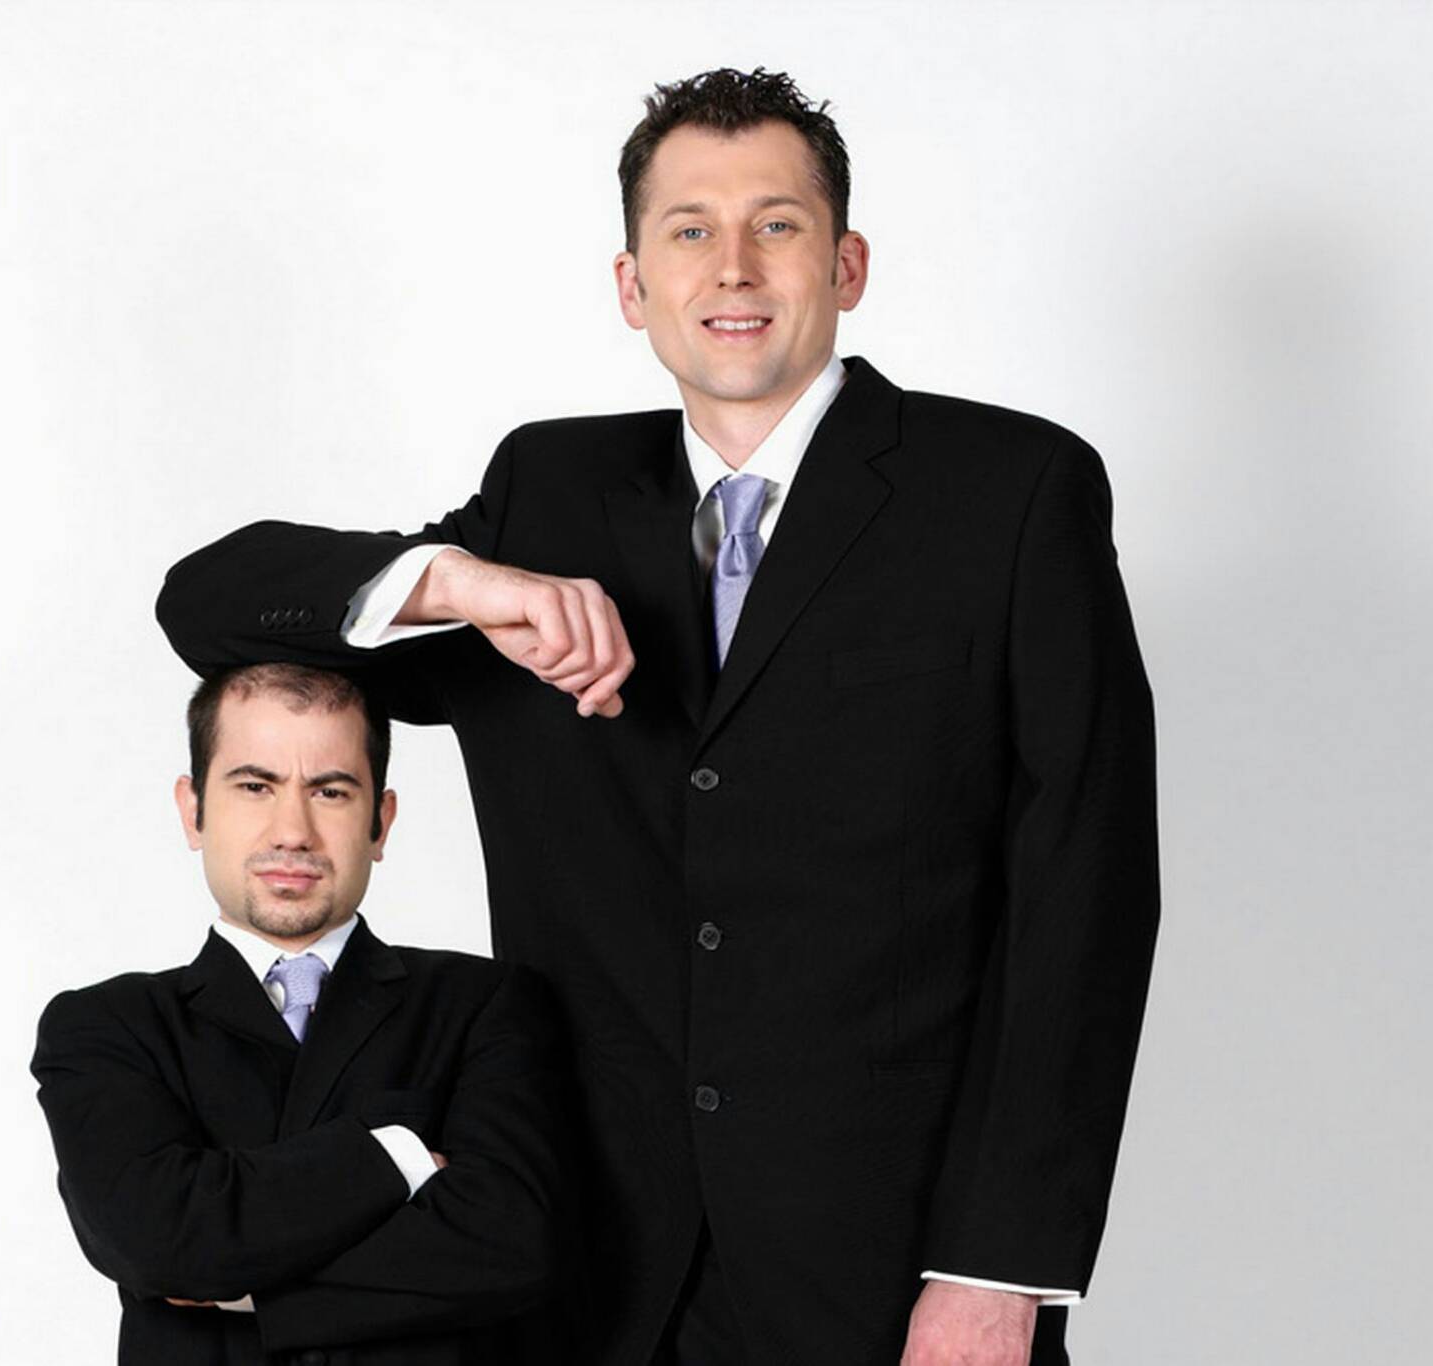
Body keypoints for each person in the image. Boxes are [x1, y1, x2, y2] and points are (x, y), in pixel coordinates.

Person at [155, 68, 1159, 1366]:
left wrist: (995, 1268)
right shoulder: (547, 493)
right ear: (633, 285)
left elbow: (1086, 895)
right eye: (689, 229)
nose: (731, 266)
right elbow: (208, 606)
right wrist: (459, 583)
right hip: (585, 1275)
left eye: (776, 223)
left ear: (847, 263)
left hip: (889, 1271)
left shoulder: (1011, 493)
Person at [32, 663, 573, 1365]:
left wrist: (254, 1291)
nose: (293, 831)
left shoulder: (484, 1005)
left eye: (331, 791)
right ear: (193, 810)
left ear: (380, 822)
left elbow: (510, 1245)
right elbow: (158, 1242)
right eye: (255, 787)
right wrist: (397, 1156)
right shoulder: (104, 1027)